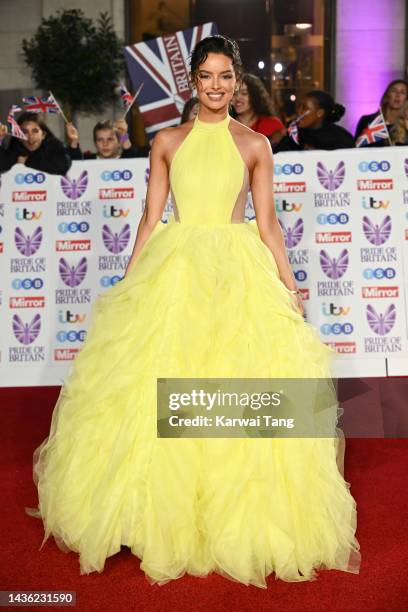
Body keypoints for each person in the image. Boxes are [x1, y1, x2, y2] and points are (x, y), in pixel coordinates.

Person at [26, 35, 361, 587]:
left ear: (238, 81)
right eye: (205, 76)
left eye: (225, 76)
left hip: (236, 268)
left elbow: (269, 224)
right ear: (194, 82)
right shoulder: (166, 141)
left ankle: (239, 518)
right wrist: (131, 283)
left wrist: (290, 282)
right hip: (175, 268)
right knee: (157, 384)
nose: (215, 86)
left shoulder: (255, 144)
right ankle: (153, 512)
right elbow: (151, 217)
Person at [276, 90, 355, 152]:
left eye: (304, 108)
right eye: (299, 106)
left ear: (319, 113)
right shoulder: (294, 135)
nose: (299, 111)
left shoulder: (341, 138)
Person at [0, 112, 71, 176]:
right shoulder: (15, 150)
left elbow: (62, 167)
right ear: (19, 137)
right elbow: (2, 166)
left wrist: (27, 161)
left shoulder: (53, 146)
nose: (30, 136)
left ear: (43, 134)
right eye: (25, 132)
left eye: (35, 131)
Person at [232, 72, 285, 146]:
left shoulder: (273, 124)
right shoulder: (224, 126)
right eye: (234, 94)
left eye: (244, 93)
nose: (237, 98)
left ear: (255, 96)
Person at [355, 79, 408, 147]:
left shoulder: (406, 124)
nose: (397, 95)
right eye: (394, 91)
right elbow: (356, 147)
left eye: (403, 92)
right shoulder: (367, 120)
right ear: (387, 95)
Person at [66, 118, 139, 160]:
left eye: (110, 139)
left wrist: (124, 135)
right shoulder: (88, 161)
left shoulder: (126, 160)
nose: (105, 144)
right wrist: (74, 141)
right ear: (95, 142)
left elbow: (131, 155)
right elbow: (74, 161)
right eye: (100, 140)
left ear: (119, 142)